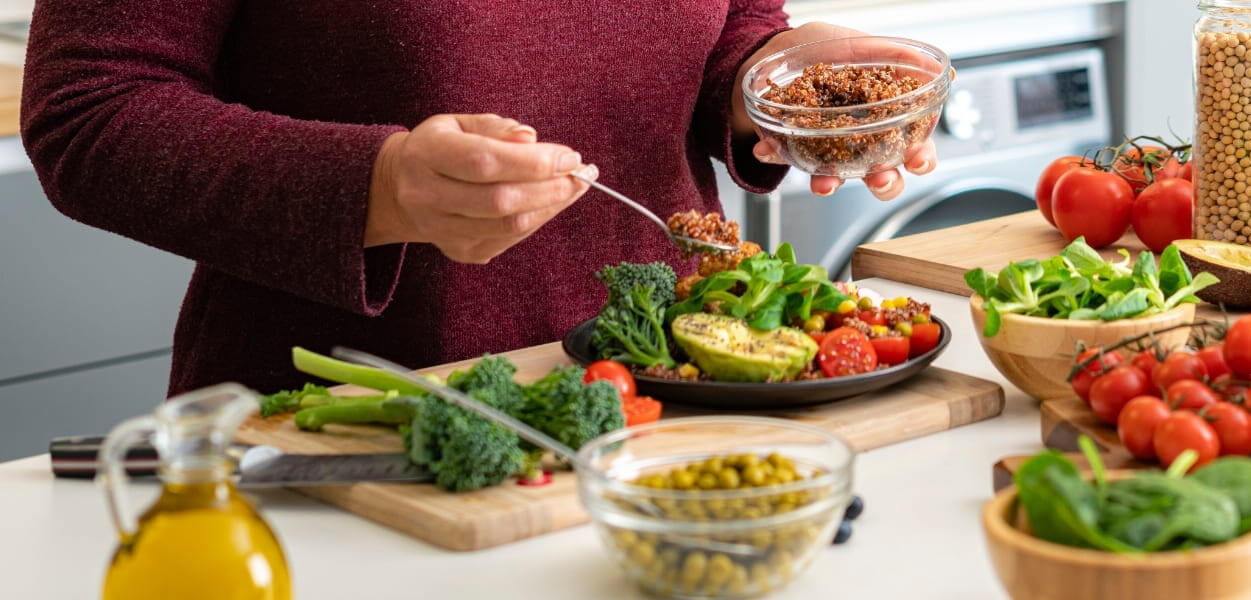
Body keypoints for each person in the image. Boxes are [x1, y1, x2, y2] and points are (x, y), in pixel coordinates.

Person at [21, 2, 936, 395]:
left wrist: (766, 83)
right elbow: (90, 110)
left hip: (671, 395)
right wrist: (378, 189)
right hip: (358, 431)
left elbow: (728, 24)